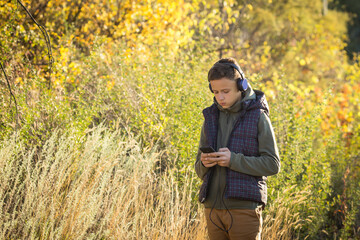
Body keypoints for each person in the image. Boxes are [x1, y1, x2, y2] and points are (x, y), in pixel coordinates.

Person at [195, 57, 280, 240]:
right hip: (212, 209)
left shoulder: (258, 116)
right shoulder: (210, 117)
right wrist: (205, 163)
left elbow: (273, 164)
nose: (221, 97)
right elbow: (198, 169)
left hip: (244, 210)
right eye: (216, 92)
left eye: (226, 91)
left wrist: (233, 160)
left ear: (241, 86)